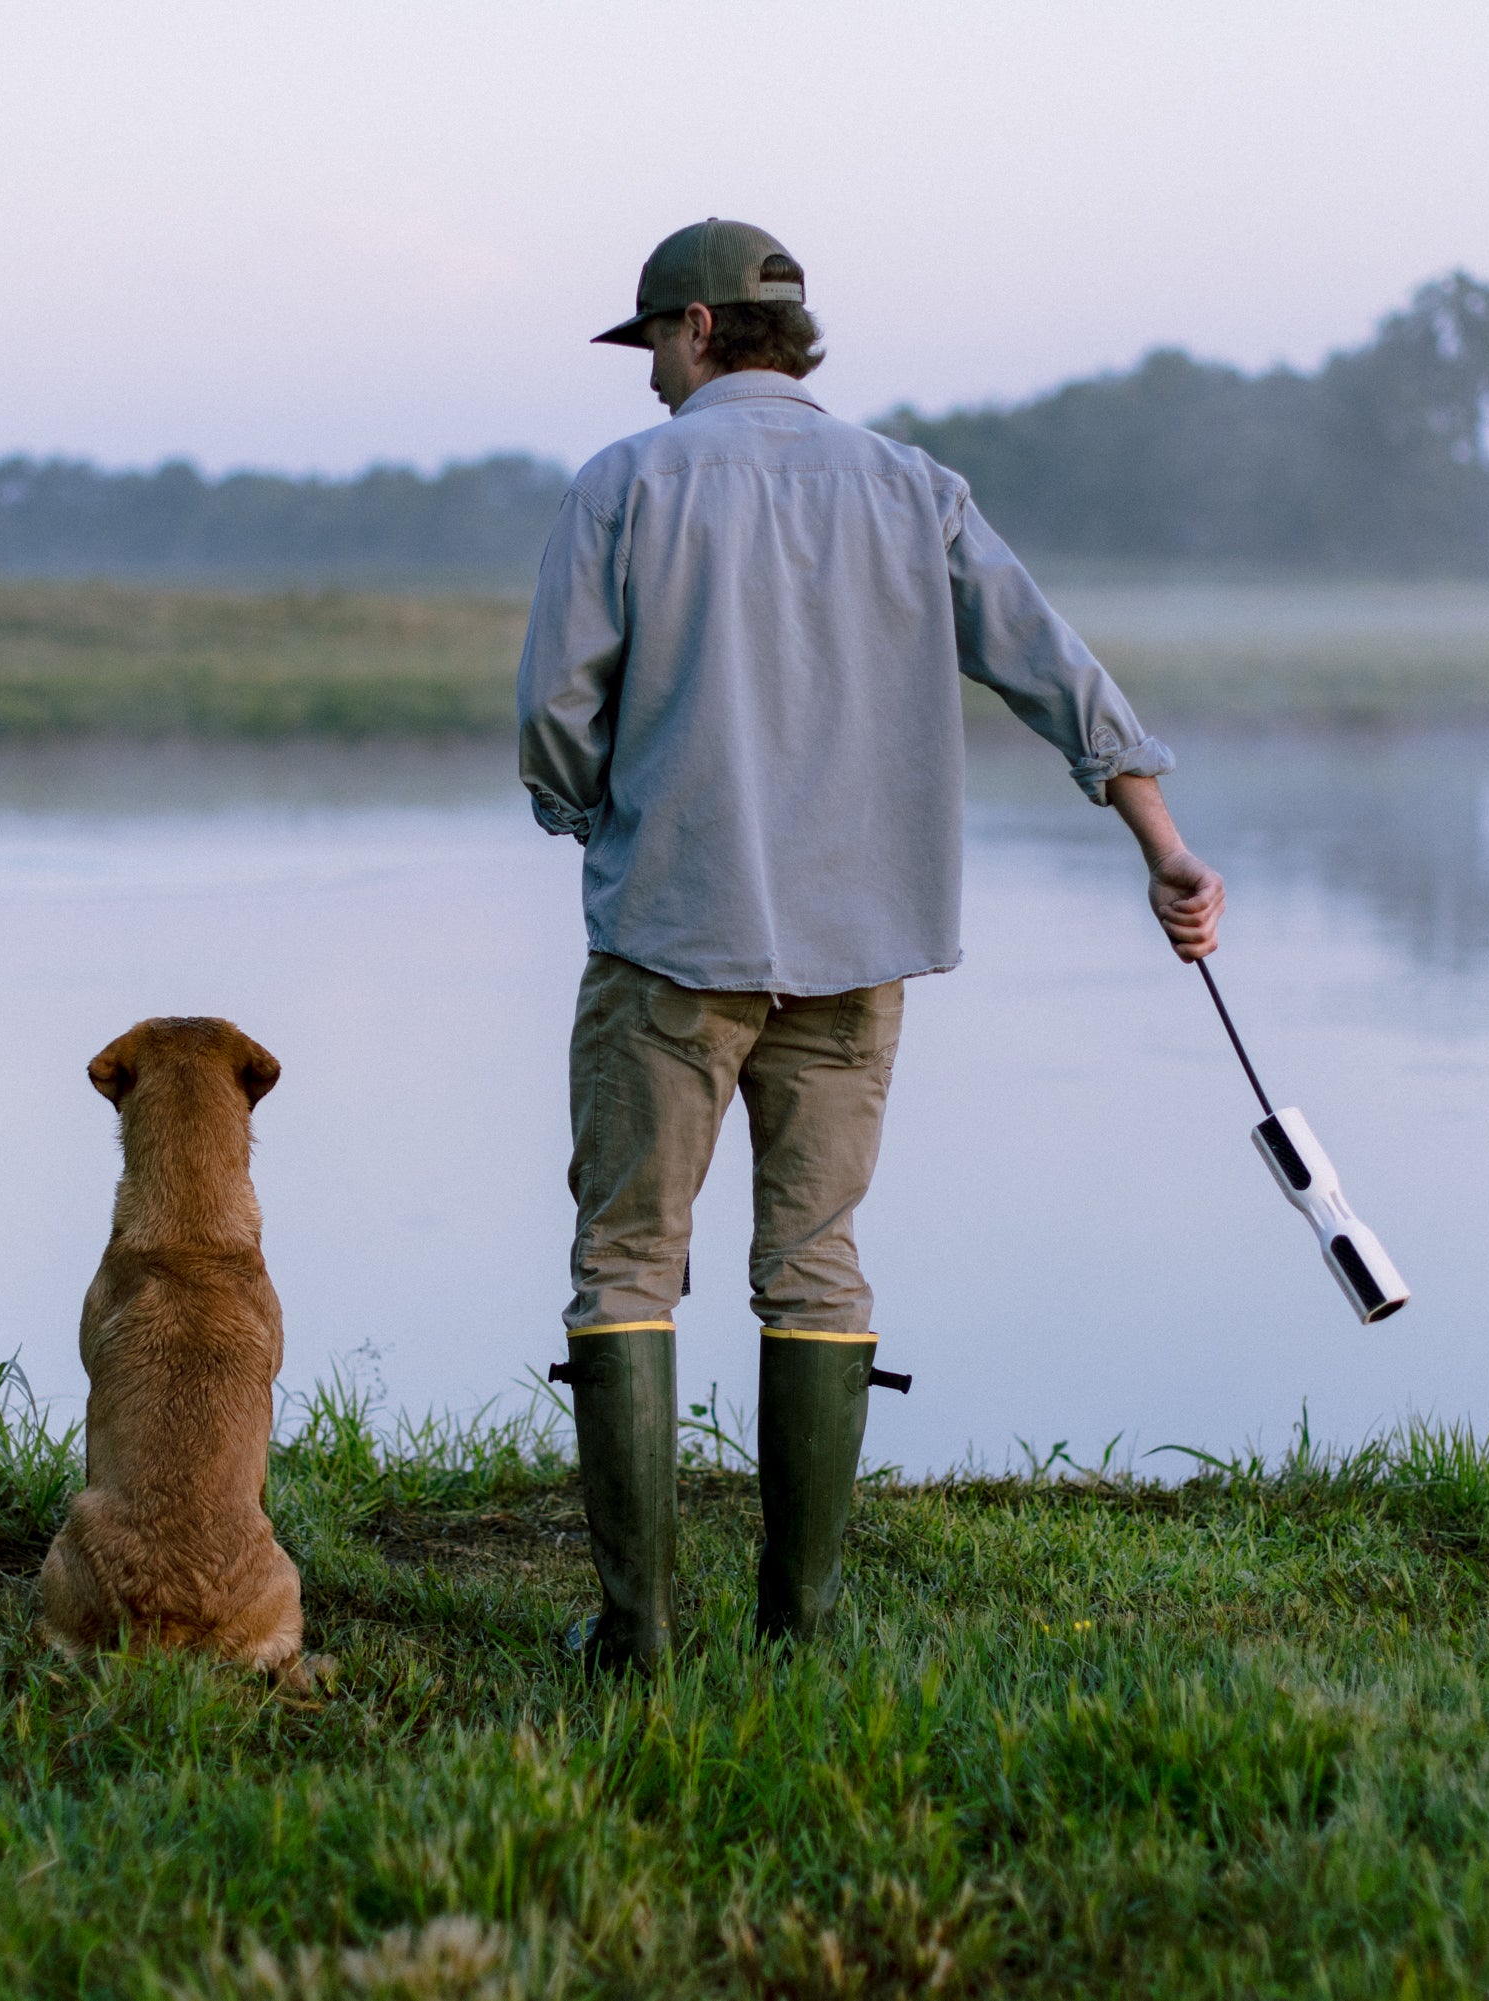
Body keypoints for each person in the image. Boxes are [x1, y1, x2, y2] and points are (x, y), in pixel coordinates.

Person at [518, 219, 1224, 1670]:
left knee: (628, 1262)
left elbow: (555, 719)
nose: (648, 370)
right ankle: (800, 1624)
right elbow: (1054, 667)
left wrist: (592, 819)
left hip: (669, 936)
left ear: (701, 332)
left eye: (652, 340)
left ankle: (640, 1634)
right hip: (859, 951)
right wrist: (1160, 842)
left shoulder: (625, 485)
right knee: (818, 1261)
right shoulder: (917, 489)